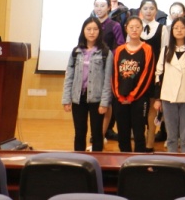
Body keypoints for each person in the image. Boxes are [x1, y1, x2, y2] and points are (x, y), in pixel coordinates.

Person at [153, 16, 185, 154]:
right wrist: (158, 98)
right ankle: (172, 162)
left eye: (182, 27)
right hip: (168, 97)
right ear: (172, 31)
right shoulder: (166, 50)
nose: (179, 30)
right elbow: (159, 74)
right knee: (171, 136)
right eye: (176, 28)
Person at [63, 17, 113, 152]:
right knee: (79, 132)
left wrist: (104, 102)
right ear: (83, 31)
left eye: (95, 29)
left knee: (97, 134)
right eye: (89, 29)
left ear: (100, 31)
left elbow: (108, 80)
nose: (92, 32)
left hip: (97, 98)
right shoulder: (76, 52)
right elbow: (69, 77)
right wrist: (66, 99)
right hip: (78, 98)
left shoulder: (106, 53)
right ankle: (79, 160)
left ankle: (97, 161)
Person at [111, 16, 156, 152]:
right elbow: (114, 74)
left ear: (142, 28)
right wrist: (119, 95)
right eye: (131, 27)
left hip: (139, 98)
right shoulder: (120, 50)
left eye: (137, 27)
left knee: (139, 132)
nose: (134, 30)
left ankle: (139, 161)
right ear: (126, 29)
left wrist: (133, 96)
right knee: (122, 133)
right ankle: (124, 160)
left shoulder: (147, 49)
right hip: (120, 98)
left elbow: (147, 75)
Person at [137, 0, 169, 152]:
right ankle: (139, 140)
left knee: (152, 108)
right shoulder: (135, 27)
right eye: (145, 8)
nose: (148, 11)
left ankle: (150, 142)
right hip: (137, 75)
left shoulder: (162, 29)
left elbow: (164, 52)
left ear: (156, 11)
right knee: (138, 109)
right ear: (140, 11)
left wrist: (160, 74)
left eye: (151, 8)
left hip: (154, 74)